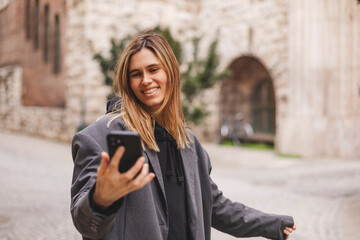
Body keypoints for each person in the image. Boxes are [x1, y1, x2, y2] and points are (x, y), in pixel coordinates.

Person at [70, 31, 296, 240]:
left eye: (153, 69)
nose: (146, 80)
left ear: (170, 72)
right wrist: (100, 199)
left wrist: (269, 224)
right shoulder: (99, 139)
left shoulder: (188, 142)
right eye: (136, 74)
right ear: (127, 82)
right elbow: (85, 223)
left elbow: (213, 205)